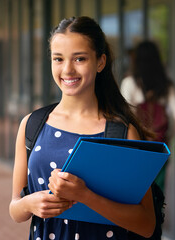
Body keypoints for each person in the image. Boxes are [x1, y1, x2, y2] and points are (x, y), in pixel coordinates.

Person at [10, 17, 156, 239]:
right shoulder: (31, 125)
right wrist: (30, 204)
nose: (67, 69)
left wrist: (85, 196)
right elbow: (15, 210)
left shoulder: (121, 133)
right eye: (58, 59)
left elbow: (146, 225)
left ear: (100, 62)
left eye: (79, 58)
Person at [121, 41, 175, 190]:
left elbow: (124, 117)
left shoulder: (129, 83)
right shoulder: (166, 85)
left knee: (137, 192)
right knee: (158, 193)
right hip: (159, 147)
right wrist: (167, 136)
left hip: (137, 149)